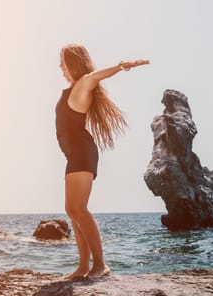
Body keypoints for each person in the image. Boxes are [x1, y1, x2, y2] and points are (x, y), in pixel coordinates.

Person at [56, 44, 149, 279]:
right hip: (75, 154)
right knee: (72, 209)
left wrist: (121, 66)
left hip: (81, 152)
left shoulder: (82, 85)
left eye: (62, 62)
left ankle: (100, 265)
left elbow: (93, 77)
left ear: (72, 63)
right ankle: (83, 267)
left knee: (78, 208)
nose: (60, 67)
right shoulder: (72, 90)